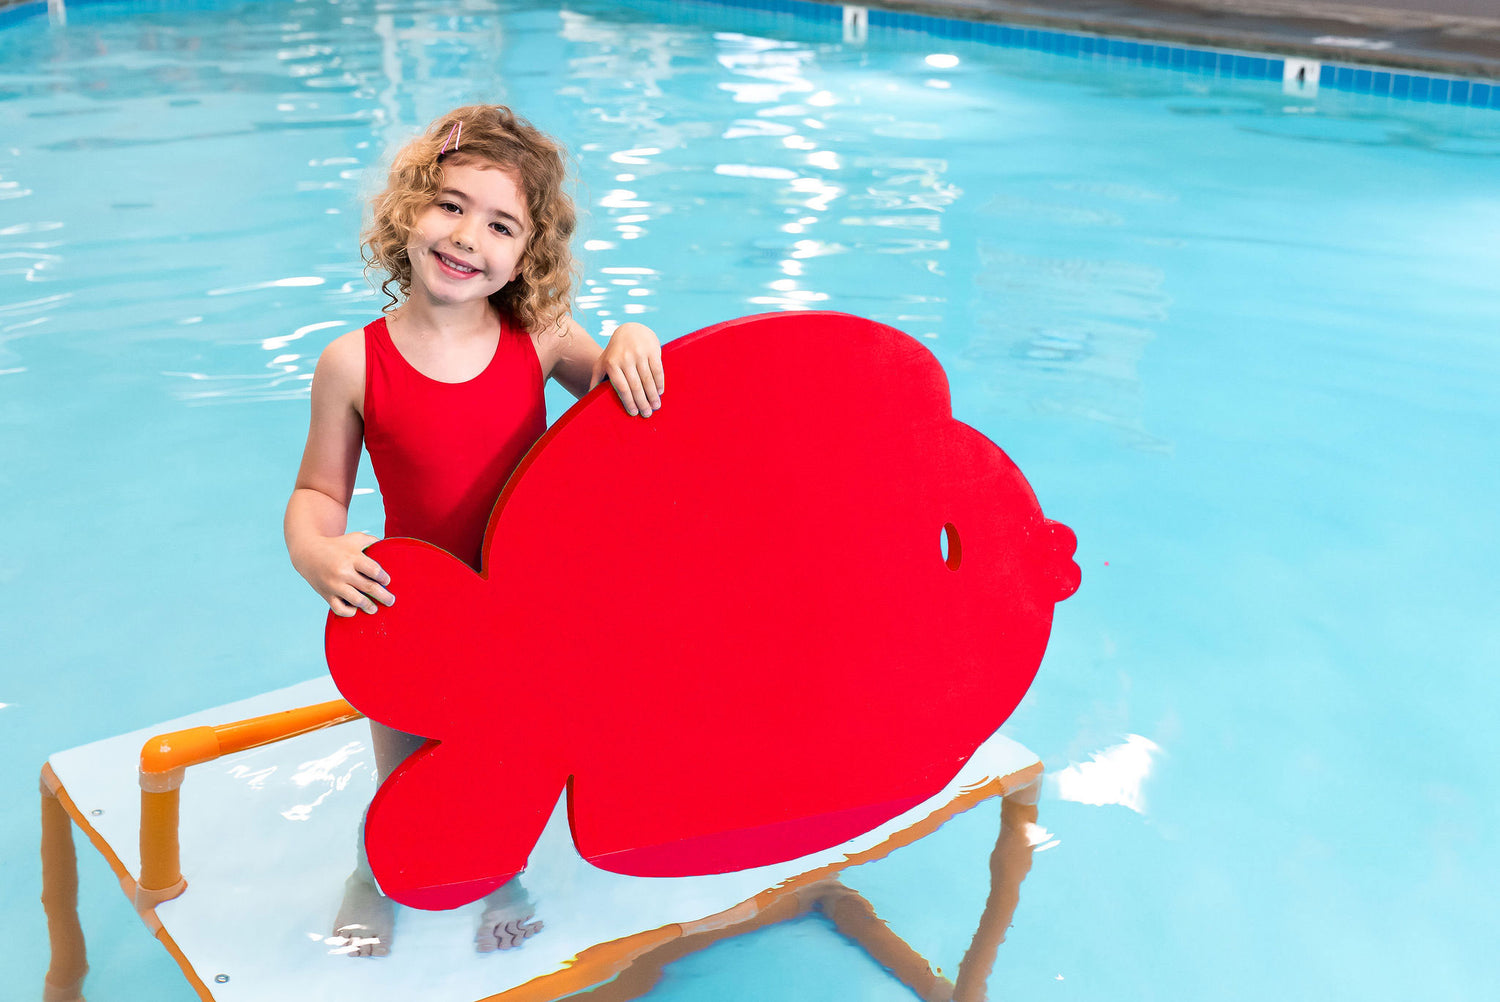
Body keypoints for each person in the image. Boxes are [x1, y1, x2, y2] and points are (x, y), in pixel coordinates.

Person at [283, 105, 665, 958]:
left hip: (526, 612)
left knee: (510, 763)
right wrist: (316, 549)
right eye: (450, 205)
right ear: (408, 211)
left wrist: (632, 337)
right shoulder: (353, 363)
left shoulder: (540, 338)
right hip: (411, 611)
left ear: (528, 253)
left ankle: (499, 874)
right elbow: (317, 491)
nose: (466, 237)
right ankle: (373, 873)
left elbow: (621, 400)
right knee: (408, 775)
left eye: (501, 225)